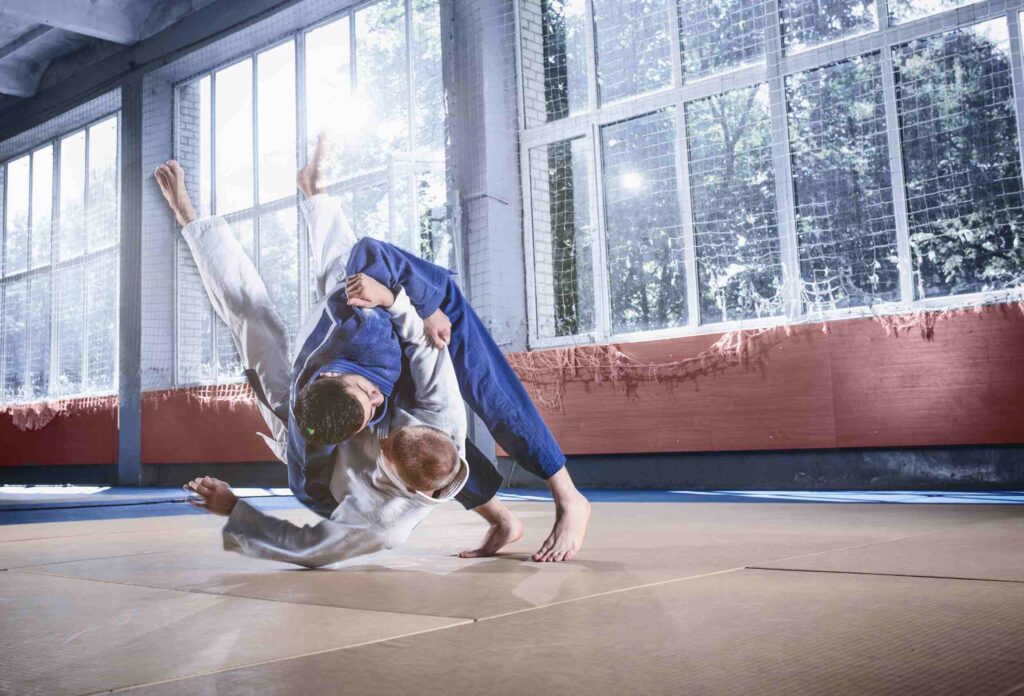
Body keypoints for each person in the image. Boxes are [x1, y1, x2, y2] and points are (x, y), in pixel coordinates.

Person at [157, 136, 588, 562]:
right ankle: (504, 519)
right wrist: (405, 302)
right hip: (345, 428)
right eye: (379, 403)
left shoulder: (402, 468)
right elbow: (307, 546)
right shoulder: (403, 476)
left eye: (378, 404)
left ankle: (513, 515)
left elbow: (304, 544)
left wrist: (403, 300)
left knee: (270, 314)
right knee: (277, 311)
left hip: (332, 412)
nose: (385, 399)